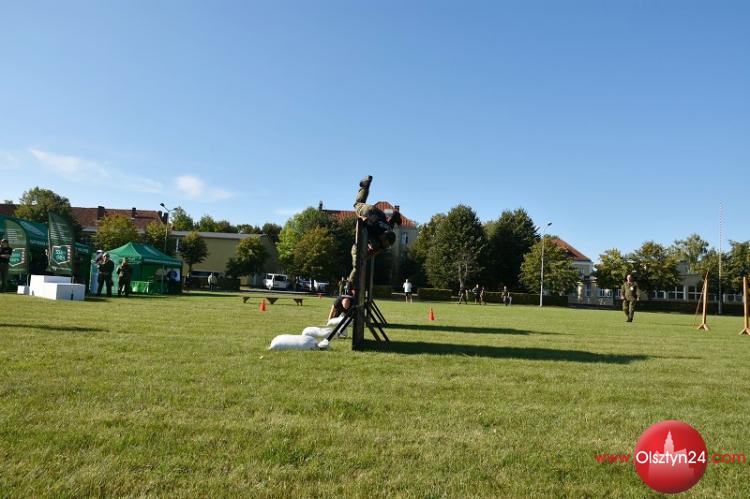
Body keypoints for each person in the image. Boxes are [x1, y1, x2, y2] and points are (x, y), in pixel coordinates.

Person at [346, 176, 402, 287]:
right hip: (369, 212)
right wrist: (360, 218)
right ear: (384, 236)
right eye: (386, 243)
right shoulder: (376, 227)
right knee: (357, 203)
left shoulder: (387, 232)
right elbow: (361, 223)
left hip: (380, 215)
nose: (385, 246)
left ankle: (351, 281)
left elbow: (394, 217)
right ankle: (365, 186)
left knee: (375, 248)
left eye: (387, 245)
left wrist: (398, 219)